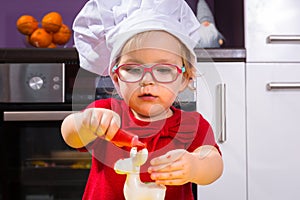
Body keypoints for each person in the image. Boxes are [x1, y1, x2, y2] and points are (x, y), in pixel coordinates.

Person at [61, 0, 223, 199]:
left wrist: (195, 166)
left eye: (164, 70)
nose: (147, 80)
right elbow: (70, 133)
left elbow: (214, 163)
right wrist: (86, 123)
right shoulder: (108, 114)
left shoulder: (192, 125)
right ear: (116, 78)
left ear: (184, 78)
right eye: (133, 69)